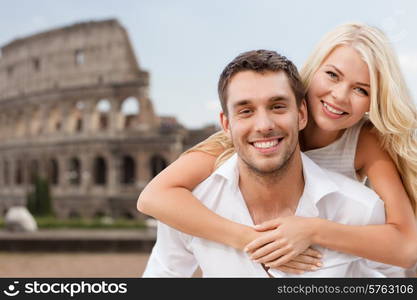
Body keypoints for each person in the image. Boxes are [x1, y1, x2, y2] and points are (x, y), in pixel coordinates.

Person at [139, 23, 417, 275]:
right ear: (313, 71)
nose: (340, 96)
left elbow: (405, 247)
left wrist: (312, 229)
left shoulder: (365, 142)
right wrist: (252, 241)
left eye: (361, 90)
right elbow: (153, 196)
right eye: (332, 75)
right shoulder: (245, 138)